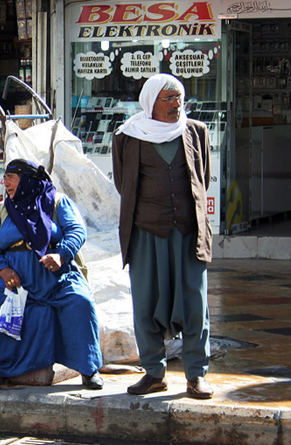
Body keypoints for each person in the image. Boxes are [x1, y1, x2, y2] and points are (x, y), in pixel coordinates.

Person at [112, 73, 214, 399]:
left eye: (178, 97)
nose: (175, 104)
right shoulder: (127, 137)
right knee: (146, 304)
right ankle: (154, 373)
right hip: (145, 233)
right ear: (150, 102)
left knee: (195, 303)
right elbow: (123, 184)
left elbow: (202, 178)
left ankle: (196, 375)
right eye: (168, 98)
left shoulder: (196, 131)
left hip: (188, 232)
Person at [0, 159, 103, 389]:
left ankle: (88, 369)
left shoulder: (57, 202)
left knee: (79, 301)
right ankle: (1, 367)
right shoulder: (1, 209)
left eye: (11, 178)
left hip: (54, 275)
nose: (6, 183)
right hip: (13, 276)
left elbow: (77, 230)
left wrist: (61, 254)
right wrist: (2, 269)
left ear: (27, 180)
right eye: (4, 178)